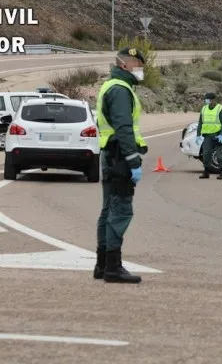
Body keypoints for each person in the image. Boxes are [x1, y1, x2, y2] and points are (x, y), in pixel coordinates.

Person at [93, 47, 148, 284]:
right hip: (119, 156)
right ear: (125, 64)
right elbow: (124, 128)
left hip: (110, 154)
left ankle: (102, 264)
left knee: (108, 210)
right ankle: (113, 267)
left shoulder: (111, 85)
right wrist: (133, 159)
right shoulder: (120, 90)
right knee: (120, 210)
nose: (140, 69)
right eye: (137, 64)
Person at [196, 92, 222, 180]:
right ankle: (206, 172)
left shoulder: (220, 109)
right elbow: (200, 122)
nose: (206, 101)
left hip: (217, 135)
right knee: (206, 154)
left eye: (208, 99)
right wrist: (198, 134)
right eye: (206, 99)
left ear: (213, 100)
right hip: (207, 136)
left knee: (219, 154)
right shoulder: (204, 109)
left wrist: (221, 134)